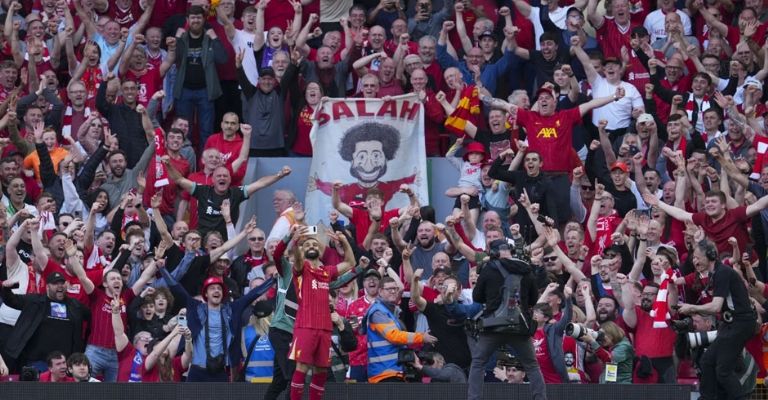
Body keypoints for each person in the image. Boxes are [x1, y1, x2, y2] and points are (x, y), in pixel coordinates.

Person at [677, 240, 758, 399]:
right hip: (730, 324)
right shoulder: (716, 273)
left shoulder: (722, 272)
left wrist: (691, 308)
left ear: (711, 256)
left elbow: (715, 307)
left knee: (723, 371)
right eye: (693, 258)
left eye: (698, 257)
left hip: (740, 324)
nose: (695, 261)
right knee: (707, 361)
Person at [467, 239, 546, 400]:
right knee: (531, 366)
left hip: (492, 327)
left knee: (478, 363)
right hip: (519, 327)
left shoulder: (489, 269)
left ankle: (473, 398)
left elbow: (477, 297)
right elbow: (533, 300)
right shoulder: (525, 268)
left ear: (493, 253)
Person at [287, 225, 357, 399]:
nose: (311, 246)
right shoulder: (301, 269)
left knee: (321, 370)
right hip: (306, 325)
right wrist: (295, 241)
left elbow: (350, 263)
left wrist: (344, 242)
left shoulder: (327, 271)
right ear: (303, 251)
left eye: (315, 244)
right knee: (302, 367)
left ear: (320, 250)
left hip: (325, 327)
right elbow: (296, 257)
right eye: (307, 245)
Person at [0, 272, 91, 372]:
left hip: (64, 363)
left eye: (62, 283)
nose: (60, 286)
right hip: (37, 361)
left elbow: (92, 315)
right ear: (47, 286)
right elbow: (12, 300)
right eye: (55, 284)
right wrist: (6, 289)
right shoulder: (35, 301)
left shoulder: (75, 305)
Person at [366, 276, 438, 383]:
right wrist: (422, 337)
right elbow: (394, 336)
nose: (393, 291)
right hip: (384, 373)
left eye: (395, 289)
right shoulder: (378, 312)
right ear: (380, 291)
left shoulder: (389, 310)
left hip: (393, 370)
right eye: (389, 289)